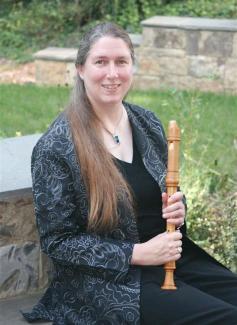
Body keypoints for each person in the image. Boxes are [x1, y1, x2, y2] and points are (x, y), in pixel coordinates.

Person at [22, 22, 237, 324]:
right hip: (109, 281)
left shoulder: (147, 123)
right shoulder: (55, 148)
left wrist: (177, 209)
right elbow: (58, 242)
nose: (112, 73)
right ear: (81, 69)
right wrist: (137, 253)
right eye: (101, 62)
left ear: (132, 67)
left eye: (121, 61)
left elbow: (158, 197)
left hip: (170, 257)